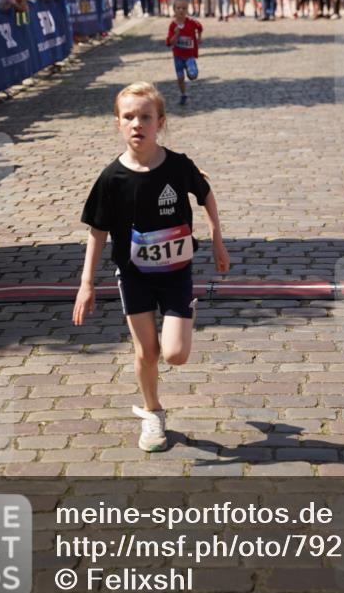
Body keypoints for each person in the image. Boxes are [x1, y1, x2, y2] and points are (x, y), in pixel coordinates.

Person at [73, 81, 230, 451]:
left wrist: (217, 239)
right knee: (147, 352)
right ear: (118, 123)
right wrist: (86, 284)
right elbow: (97, 232)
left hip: (176, 274)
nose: (137, 124)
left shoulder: (178, 166)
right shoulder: (111, 178)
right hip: (134, 276)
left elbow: (206, 194)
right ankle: (153, 413)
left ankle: (184, 314)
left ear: (160, 122)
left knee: (175, 354)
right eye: (129, 117)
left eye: (145, 117)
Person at [166, 0, 203, 106]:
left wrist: (199, 37)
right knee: (180, 77)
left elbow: (200, 27)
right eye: (178, 8)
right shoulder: (173, 25)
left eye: (184, 8)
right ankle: (183, 94)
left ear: (187, 10)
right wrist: (176, 34)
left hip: (189, 55)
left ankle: (191, 69)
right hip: (178, 56)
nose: (181, 10)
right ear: (174, 10)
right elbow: (169, 42)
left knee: (193, 75)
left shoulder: (191, 23)